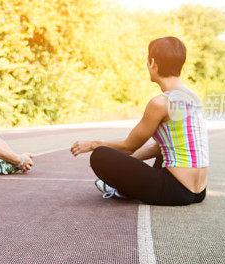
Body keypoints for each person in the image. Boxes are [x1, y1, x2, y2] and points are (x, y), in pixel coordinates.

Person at [70, 36, 208, 206]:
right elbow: (161, 147)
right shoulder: (193, 98)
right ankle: (125, 185)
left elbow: (128, 146)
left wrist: (93, 145)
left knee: (100, 155)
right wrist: (124, 164)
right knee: (162, 151)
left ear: (152, 63)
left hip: (175, 191)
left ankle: (122, 189)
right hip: (199, 191)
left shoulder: (160, 103)